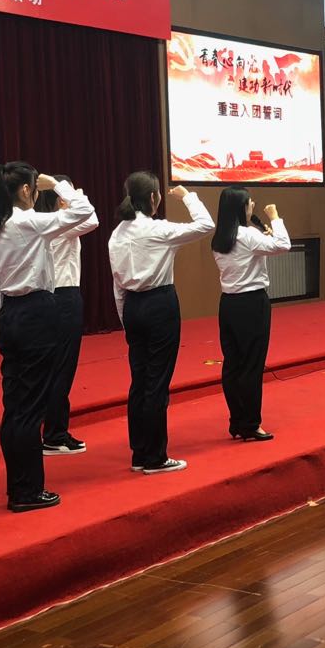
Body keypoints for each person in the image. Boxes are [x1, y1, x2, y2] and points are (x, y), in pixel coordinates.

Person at [0, 163, 95, 512]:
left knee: (15, 406)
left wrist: (1, 320)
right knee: (31, 408)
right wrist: (58, 184)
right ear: (27, 190)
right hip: (36, 311)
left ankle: (18, 485)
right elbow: (84, 211)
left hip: (10, 312)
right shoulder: (28, 222)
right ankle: (27, 491)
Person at [108, 172, 214, 475]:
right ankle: (155, 457)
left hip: (132, 306)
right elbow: (206, 225)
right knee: (157, 382)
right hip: (159, 305)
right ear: (153, 198)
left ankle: (140, 453)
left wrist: (125, 319)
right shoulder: (158, 229)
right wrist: (187, 196)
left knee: (139, 381)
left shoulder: (117, 234)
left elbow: (117, 285)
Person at [210, 186, 289, 441]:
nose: (252, 205)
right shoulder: (247, 235)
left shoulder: (220, 238)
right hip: (252, 304)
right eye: (249, 202)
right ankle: (251, 424)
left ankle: (237, 421)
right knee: (252, 365)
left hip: (228, 305)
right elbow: (284, 244)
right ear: (241, 208)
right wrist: (275, 216)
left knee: (233, 365)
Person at [37, 174, 98, 456]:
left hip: (51, 297)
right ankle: (54, 433)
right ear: (61, 199)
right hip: (64, 296)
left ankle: (55, 430)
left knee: (55, 368)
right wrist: (71, 193)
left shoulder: (44, 222)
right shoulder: (60, 223)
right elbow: (92, 218)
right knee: (62, 368)